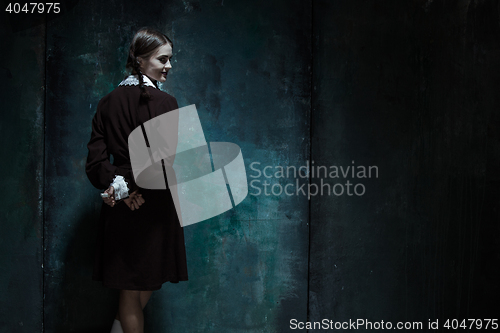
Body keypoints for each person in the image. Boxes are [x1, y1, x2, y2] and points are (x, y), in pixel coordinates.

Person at [85, 27, 188, 333]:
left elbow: (95, 163)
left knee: (137, 286)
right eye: (163, 59)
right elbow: (163, 161)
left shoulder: (107, 102)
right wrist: (127, 187)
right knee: (134, 290)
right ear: (140, 61)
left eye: (170, 59)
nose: (169, 65)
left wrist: (120, 186)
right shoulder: (166, 103)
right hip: (154, 205)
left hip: (122, 204)